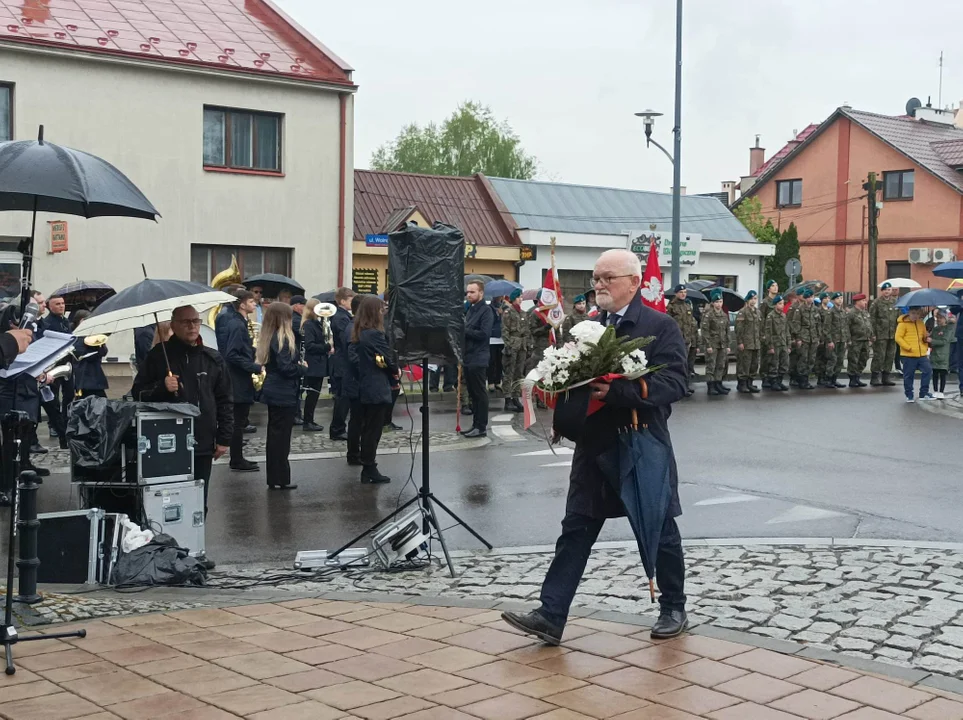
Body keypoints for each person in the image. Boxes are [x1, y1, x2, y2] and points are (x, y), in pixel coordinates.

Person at [501, 249, 689, 644]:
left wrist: (621, 390)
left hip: (639, 444)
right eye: (596, 278)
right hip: (594, 446)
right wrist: (558, 396)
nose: (599, 285)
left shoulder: (660, 325)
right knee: (575, 529)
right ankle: (551, 616)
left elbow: (675, 384)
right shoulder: (588, 326)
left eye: (608, 278)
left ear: (634, 282)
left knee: (658, 528)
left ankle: (673, 606)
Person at [131, 305, 232, 569]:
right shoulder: (158, 357)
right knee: (167, 499)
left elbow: (224, 400)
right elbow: (138, 394)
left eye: (196, 321)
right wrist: (161, 388)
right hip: (166, 444)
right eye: (186, 322)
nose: (192, 326)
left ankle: (195, 549)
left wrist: (224, 437)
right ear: (173, 325)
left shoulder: (212, 358)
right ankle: (164, 553)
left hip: (202, 440)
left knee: (199, 499)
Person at [348, 295, 398, 484]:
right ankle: (369, 467)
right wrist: (394, 369)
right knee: (373, 430)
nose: (382, 313)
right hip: (376, 386)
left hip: (365, 384)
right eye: (380, 310)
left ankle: (368, 467)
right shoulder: (374, 334)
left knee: (368, 428)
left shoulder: (360, 332)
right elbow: (388, 357)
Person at [256, 302, 303, 490]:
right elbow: (286, 368)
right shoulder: (281, 338)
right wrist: (302, 368)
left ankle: (276, 477)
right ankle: (280, 478)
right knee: (281, 439)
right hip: (283, 391)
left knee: (276, 437)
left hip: (276, 390)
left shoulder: (270, 336)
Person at [215, 289, 261, 472]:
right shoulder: (236, 324)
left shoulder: (240, 321)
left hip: (238, 377)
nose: (255, 304)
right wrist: (255, 367)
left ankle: (238, 458)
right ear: (241, 304)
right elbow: (232, 355)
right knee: (238, 421)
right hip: (237, 379)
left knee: (239, 421)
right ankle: (236, 459)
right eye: (251, 301)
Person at [463, 280, 495, 438]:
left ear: (481, 293)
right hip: (468, 356)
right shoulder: (470, 310)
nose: (469, 294)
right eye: (468, 292)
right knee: (472, 394)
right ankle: (475, 424)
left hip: (478, 356)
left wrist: (465, 330)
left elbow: (484, 334)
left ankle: (481, 426)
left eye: (472, 292)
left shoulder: (486, 311)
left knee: (479, 393)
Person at [328, 287, 356, 441]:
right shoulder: (341, 318)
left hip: (342, 362)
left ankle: (338, 428)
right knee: (342, 398)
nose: (353, 302)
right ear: (342, 301)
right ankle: (337, 429)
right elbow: (346, 340)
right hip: (342, 363)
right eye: (351, 299)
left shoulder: (344, 316)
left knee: (343, 397)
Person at [301, 299, 329, 432]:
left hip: (319, 363)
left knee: (315, 394)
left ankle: (310, 419)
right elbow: (310, 345)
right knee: (312, 394)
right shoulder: (309, 324)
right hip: (313, 363)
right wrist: (327, 347)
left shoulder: (317, 323)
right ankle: (308, 421)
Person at [500, 288, 530, 412]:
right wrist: (507, 345)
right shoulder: (508, 313)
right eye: (518, 297)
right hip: (512, 345)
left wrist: (528, 345)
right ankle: (507, 399)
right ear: (513, 299)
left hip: (522, 345)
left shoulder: (523, 313)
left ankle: (516, 397)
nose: (520, 299)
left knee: (519, 373)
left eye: (521, 297)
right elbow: (505, 330)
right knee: (509, 373)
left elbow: (527, 331)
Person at [895, 307, 932, 402]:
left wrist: (926, 339)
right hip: (908, 355)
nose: (915, 315)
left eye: (917, 313)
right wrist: (908, 347)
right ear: (909, 313)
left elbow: (923, 336)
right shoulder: (903, 324)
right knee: (908, 375)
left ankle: (923, 393)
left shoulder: (920, 323)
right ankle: (909, 394)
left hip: (921, 354)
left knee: (928, 370)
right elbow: (898, 338)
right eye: (913, 313)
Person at [343, 294, 364, 466]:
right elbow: (354, 357)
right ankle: (354, 454)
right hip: (355, 381)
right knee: (357, 420)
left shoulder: (356, 326)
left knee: (358, 419)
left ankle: (355, 452)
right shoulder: (353, 328)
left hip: (356, 380)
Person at [70, 310, 109, 400]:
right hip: (85, 378)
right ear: (82, 321)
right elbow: (86, 356)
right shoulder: (77, 338)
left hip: (95, 376)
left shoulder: (91, 336)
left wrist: (101, 343)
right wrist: (97, 349)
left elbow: (104, 352)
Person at [665, 285, 697, 396]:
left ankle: (686, 386)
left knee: (688, 365)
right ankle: (678, 387)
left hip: (688, 340)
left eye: (685, 292)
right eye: (681, 292)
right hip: (677, 341)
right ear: (676, 293)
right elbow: (668, 325)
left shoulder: (687, 306)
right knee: (679, 365)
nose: (683, 294)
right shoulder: (671, 307)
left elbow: (691, 325)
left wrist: (694, 340)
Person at [701, 289, 730, 395]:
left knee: (720, 365)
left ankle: (718, 383)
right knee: (711, 365)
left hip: (722, 344)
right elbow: (705, 331)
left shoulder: (724, 315)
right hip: (712, 344)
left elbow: (727, 331)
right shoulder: (708, 315)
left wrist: (727, 344)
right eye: (717, 302)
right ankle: (711, 385)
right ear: (713, 303)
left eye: (721, 302)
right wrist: (708, 345)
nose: (719, 304)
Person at [870, 283, 899, 386]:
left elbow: (898, 318)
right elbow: (872, 319)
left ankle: (886, 376)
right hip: (880, 334)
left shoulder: (895, 302)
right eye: (885, 290)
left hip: (892, 334)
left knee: (890, 355)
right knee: (879, 355)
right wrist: (873, 333)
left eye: (889, 289)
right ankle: (875, 377)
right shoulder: (876, 303)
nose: (887, 291)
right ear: (882, 291)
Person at [789, 290, 817, 389]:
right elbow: (796, 324)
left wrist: (818, 337)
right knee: (803, 359)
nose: (810, 299)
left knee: (811, 359)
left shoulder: (815, 309)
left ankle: (807, 378)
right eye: (808, 297)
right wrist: (798, 338)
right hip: (804, 337)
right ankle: (802, 380)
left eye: (812, 297)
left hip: (813, 338)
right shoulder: (800, 309)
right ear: (805, 298)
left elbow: (818, 324)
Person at [734, 290, 762, 394]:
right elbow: (739, 329)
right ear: (747, 300)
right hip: (746, 343)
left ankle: (750, 383)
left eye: (755, 299)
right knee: (744, 364)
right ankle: (742, 383)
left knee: (754, 364)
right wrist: (740, 342)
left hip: (755, 343)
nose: (753, 301)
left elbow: (760, 328)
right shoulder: (743, 312)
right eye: (751, 299)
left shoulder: (758, 312)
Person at [763, 295, 790, 390]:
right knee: (774, 364)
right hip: (775, 343)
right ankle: (773, 381)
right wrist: (770, 346)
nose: (782, 306)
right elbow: (768, 332)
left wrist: (788, 344)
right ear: (775, 305)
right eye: (780, 304)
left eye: (783, 303)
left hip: (783, 343)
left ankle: (779, 381)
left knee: (784, 364)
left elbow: (786, 331)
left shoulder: (783, 316)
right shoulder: (771, 316)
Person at [847, 294, 873, 387]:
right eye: (863, 301)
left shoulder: (865, 312)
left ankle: (858, 377)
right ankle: (852, 379)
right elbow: (847, 327)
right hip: (855, 340)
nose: (865, 302)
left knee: (864, 359)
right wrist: (848, 339)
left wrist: (871, 335)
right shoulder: (851, 313)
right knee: (854, 359)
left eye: (865, 301)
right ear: (857, 302)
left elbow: (869, 325)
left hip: (865, 340)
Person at [928, 310, 954, 399]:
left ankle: (941, 391)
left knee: (943, 374)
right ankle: (935, 390)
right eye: (938, 318)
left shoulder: (948, 329)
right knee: (935, 374)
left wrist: (933, 341)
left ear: (945, 319)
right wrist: (927, 338)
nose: (939, 319)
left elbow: (944, 341)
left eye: (941, 318)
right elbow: (930, 340)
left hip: (944, 355)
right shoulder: (935, 329)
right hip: (934, 355)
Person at [289, 295, 307, 424]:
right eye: (303, 305)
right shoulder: (295, 319)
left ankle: (297, 414)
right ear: (296, 305)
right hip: (294, 354)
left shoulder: (297, 318)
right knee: (295, 389)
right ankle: (295, 414)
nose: (304, 308)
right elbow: (303, 333)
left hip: (297, 353)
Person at [759, 280, 780, 387]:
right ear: (768, 289)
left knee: (774, 358)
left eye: (776, 285)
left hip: (776, 334)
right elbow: (761, 319)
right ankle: (765, 378)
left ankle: (773, 378)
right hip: (767, 333)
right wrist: (763, 334)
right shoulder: (765, 302)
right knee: (766, 357)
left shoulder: (778, 302)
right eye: (772, 286)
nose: (775, 288)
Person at [829, 292, 849, 388]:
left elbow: (845, 326)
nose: (840, 300)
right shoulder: (831, 312)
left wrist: (845, 339)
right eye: (838, 298)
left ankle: (835, 379)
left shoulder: (843, 312)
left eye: (841, 298)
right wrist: (829, 341)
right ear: (833, 300)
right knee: (832, 360)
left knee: (840, 361)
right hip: (834, 340)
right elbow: (827, 327)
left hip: (842, 340)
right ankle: (828, 380)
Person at [488, 297, 504, 392]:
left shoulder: (504, 307)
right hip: (492, 339)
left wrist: (502, 315)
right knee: (491, 361)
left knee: (500, 362)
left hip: (501, 339)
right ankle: (491, 382)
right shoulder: (489, 308)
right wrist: (497, 314)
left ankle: (498, 381)